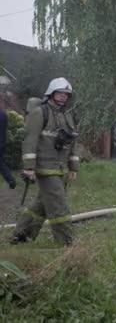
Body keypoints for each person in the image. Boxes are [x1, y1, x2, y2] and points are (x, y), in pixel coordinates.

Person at [10, 77, 79, 246]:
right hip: (45, 168)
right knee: (58, 206)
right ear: (51, 93)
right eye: (60, 93)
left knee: (41, 204)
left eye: (66, 94)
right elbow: (29, 140)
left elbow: (73, 142)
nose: (63, 96)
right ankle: (66, 243)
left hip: (60, 168)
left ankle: (21, 235)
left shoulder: (67, 116)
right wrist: (29, 167)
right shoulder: (40, 112)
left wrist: (73, 166)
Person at [0, 109, 16, 189]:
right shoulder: (3, 114)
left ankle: (11, 179)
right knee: (1, 163)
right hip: (2, 142)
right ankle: (10, 179)